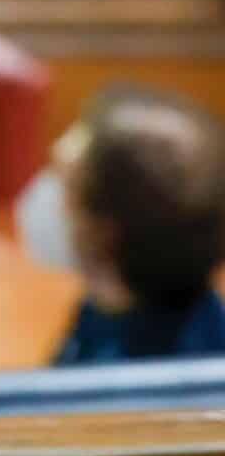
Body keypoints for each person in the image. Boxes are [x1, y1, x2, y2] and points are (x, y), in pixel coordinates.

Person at [16, 85, 225, 365]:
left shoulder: (112, 383)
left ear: (103, 235)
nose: (42, 196)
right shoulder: (108, 308)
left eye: (61, 183)